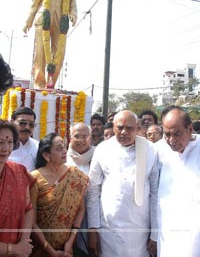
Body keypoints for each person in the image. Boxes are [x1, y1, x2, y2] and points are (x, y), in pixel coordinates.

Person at [87, 110, 159, 257]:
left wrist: (155, 233)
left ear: (138, 127)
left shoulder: (150, 150)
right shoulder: (103, 149)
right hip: (108, 228)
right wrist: (92, 228)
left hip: (139, 230)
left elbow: (155, 193)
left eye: (130, 128)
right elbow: (93, 190)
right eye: (120, 128)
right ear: (113, 127)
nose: (124, 132)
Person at [30, 132, 88, 257]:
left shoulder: (74, 174)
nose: (64, 151)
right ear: (46, 155)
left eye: (64, 146)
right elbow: (32, 222)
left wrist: (70, 241)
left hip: (68, 247)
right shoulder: (34, 178)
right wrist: (50, 250)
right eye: (59, 148)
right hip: (41, 249)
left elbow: (81, 209)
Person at [23, 0, 77, 89]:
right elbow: (35, 2)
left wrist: (73, 14)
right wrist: (28, 20)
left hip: (61, 22)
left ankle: (50, 84)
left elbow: (73, 5)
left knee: (59, 53)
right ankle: (39, 84)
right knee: (40, 53)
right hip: (43, 19)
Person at [156, 105, 200, 257]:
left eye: (177, 134)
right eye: (167, 134)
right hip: (168, 231)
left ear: (190, 129)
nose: (171, 140)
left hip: (196, 234)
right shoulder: (159, 150)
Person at [0, 119, 33, 256]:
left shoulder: (19, 172)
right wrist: (11, 249)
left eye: (9, 142)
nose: (5, 149)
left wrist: (24, 242)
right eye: (0, 142)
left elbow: (28, 208)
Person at [67, 122, 95, 256]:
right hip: (67, 214)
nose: (81, 140)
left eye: (85, 136)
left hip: (92, 213)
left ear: (90, 137)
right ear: (69, 137)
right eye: (77, 136)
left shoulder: (98, 156)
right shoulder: (62, 157)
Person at [9, 107, 39, 171]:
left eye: (31, 124)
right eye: (22, 123)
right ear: (12, 122)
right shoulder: (4, 146)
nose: (27, 127)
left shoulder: (37, 146)